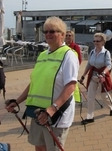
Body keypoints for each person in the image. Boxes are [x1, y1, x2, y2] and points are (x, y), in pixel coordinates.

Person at [6, 16, 78, 151]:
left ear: (62, 34)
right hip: (38, 113)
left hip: (56, 116)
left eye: (52, 31)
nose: (48, 34)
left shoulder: (69, 55)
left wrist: (51, 109)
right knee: (39, 148)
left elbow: (71, 86)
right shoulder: (43, 55)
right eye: (46, 31)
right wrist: (17, 101)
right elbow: (34, 83)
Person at [79, 33, 112, 124]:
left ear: (103, 42)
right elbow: (89, 65)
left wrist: (103, 73)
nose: (95, 42)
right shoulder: (92, 51)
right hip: (93, 76)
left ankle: (111, 107)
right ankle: (90, 117)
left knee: (104, 96)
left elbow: (109, 65)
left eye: (98, 41)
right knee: (90, 97)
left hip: (102, 76)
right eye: (94, 41)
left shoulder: (106, 52)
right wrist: (83, 76)